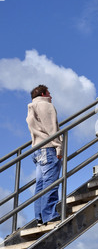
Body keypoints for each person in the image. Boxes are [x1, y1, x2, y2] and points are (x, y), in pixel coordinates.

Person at [26, 85, 63, 226]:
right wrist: (59, 147)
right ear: (43, 93)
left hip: (37, 149)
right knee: (50, 183)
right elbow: (51, 128)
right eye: (49, 93)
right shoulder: (45, 105)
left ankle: (40, 216)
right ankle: (50, 215)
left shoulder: (31, 108)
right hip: (48, 148)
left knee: (41, 185)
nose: (51, 97)